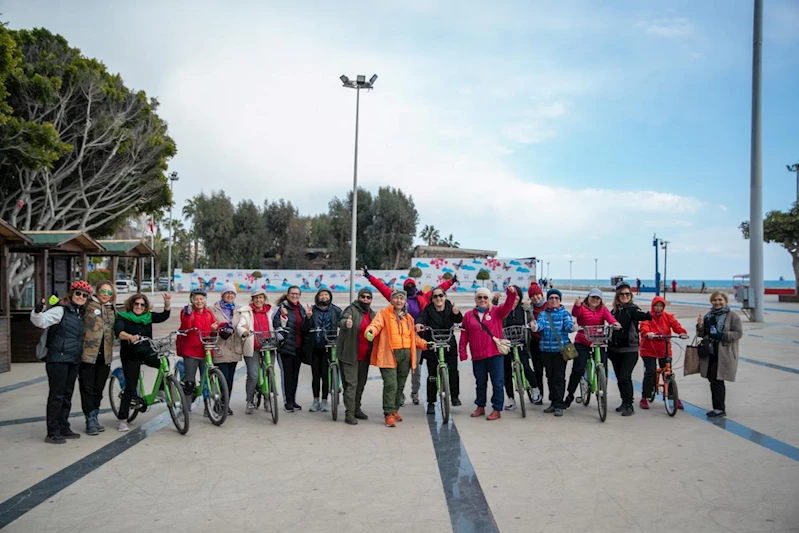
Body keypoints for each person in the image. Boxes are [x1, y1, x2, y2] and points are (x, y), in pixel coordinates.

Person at [362, 265, 456, 406]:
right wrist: (369, 277)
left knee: (416, 368)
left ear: (415, 286)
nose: (410, 287)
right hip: (400, 339)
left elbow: (440, 290)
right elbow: (381, 287)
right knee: (402, 370)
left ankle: (415, 392)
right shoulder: (397, 298)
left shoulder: (423, 296)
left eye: (412, 285)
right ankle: (399, 395)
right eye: (408, 286)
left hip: (419, 337)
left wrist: (451, 281)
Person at [31, 280, 93, 444]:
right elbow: (40, 321)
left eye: (84, 295)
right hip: (58, 359)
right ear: (72, 294)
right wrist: (37, 311)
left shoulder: (82, 314)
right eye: (78, 293)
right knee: (56, 396)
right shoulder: (61, 311)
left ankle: (64, 426)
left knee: (67, 395)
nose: (81, 296)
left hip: (73, 359)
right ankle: (52, 431)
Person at [365, 290, 428, 427]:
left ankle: (394, 410)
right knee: (391, 384)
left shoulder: (409, 318)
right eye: (396, 298)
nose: (399, 300)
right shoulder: (384, 314)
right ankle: (388, 414)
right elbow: (376, 325)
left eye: (401, 298)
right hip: (389, 354)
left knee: (400, 385)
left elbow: (413, 337)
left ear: (405, 301)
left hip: (405, 355)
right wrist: (370, 331)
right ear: (391, 300)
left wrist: (425, 344)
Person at [459, 286, 518, 420]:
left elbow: (509, 305)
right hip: (477, 356)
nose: (482, 300)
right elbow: (464, 335)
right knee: (480, 383)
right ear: (476, 299)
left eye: (485, 297)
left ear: (489, 299)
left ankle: (497, 408)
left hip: (494, 354)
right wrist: (462, 352)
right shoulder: (468, 316)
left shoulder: (497, 312)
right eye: (479, 297)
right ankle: (480, 406)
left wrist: (511, 293)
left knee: (497, 382)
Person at [115, 292, 172, 431]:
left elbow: (164, 316)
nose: (139, 307)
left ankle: (160, 390)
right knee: (131, 386)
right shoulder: (124, 317)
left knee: (164, 363)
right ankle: (122, 419)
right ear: (131, 304)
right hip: (130, 354)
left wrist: (167, 303)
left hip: (147, 351)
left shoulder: (148, 317)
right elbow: (118, 332)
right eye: (136, 304)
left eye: (142, 304)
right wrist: (130, 336)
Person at [566, 288, 618, 408]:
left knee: (603, 366)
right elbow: (575, 314)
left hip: (598, 342)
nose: (595, 300)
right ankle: (570, 395)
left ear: (600, 300)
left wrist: (615, 324)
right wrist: (577, 305)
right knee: (578, 369)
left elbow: (611, 319)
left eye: (597, 298)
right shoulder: (582, 308)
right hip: (582, 342)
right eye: (593, 297)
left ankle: (602, 389)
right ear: (588, 298)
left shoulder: (603, 310)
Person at [416, 286, 463, 414]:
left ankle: (454, 396)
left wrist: (456, 313)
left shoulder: (450, 307)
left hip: (449, 343)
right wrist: (419, 324)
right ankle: (431, 402)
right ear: (432, 299)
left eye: (441, 296)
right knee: (432, 375)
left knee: (453, 371)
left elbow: (459, 320)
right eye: (435, 296)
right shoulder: (428, 309)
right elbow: (422, 318)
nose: (438, 298)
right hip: (433, 345)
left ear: (445, 296)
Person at [608, 282, 652, 416]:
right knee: (619, 378)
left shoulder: (633, 309)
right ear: (617, 296)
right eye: (622, 294)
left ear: (630, 295)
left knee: (625, 376)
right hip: (614, 350)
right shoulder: (614, 311)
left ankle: (629, 404)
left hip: (629, 349)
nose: (624, 296)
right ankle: (624, 402)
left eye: (627, 294)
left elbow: (642, 316)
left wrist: (650, 314)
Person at [696, 291, 742, 417]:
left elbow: (738, 333)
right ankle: (717, 406)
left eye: (720, 300)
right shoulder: (709, 316)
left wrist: (722, 335)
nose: (717, 302)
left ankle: (719, 408)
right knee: (712, 379)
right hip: (710, 352)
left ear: (725, 301)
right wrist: (700, 326)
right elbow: (701, 334)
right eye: (715, 300)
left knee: (718, 380)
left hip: (724, 353)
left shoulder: (732, 316)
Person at [79, 279, 116, 435]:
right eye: (103, 291)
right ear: (97, 291)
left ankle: (94, 415)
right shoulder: (87, 306)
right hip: (88, 355)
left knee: (98, 389)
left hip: (105, 356)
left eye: (109, 292)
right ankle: (90, 419)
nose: (106, 295)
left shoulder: (112, 309)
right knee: (87, 388)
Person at [493, 286, 538, 410]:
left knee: (526, 366)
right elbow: (493, 312)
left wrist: (533, 324)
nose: (515, 299)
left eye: (517, 296)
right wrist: (495, 301)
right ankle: (511, 398)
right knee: (506, 371)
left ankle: (534, 388)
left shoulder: (524, 309)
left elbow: (531, 320)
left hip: (521, 342)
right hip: (506, 344)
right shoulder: (504, 309)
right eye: (513, 296)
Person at [530, 288, 574, 417]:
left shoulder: (565, 313)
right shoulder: (543, 314)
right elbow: (540, 325)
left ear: (560, 300)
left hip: (560, 351)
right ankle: (553, 403)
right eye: (551, 298)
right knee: (550, 377)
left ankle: (559, 404)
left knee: (559, 378)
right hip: (546, 350)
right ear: (547, 300)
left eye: (556, 298)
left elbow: (568, 325)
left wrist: (572, 327)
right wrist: (535, 327)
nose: (554, 300)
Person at [639, 296, 688, 410]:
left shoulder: (667, 317)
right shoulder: (648, 316)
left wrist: (681, 332)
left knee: (668, 372)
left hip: (664, 348)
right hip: (649, 348)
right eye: (656, 305)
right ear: (653, 306)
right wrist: (647, 333)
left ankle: (673, 396)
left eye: (661, 306)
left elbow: (676, 325)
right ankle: (645, 397)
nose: (658, 308)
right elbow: (643, 327)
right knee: (650, 372)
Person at [337, 287, 376, 425]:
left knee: (361, 384)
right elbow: (341, 320)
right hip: (349, 354)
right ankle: (350, 413)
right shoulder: (351, 310)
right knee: (351, 385)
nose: (365, 299)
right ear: (359, 297)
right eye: (363, 297)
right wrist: (346, 324)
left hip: (364, 356)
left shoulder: (372, 314)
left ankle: (357, 408)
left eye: (368, 297)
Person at [176, 289, 218, 411]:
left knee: (207, 381)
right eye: (196, 299)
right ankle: (186, 409)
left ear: (205, 300)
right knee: (190, 381)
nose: (199, 301)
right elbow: (185, 327)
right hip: (191, 351)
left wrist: (217, 328)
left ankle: (207, 408)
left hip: (206, 350)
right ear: (191, 300)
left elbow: (213, 327)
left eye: (201, 299)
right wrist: (188, 315)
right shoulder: (186, 311)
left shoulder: (209, 313)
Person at [273, 286, 312, 412]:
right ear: (288, 294)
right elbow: (276, 326)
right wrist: (283, 318)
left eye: (297, 294)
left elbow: (304, 328)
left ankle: (293, 400)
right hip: (285, 348)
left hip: (298, 348)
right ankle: (287, 401)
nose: (294, 296)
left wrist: (308, 318)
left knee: (295, 376)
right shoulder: (281, 308)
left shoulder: (301, 308)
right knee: (287, 376)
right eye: (292, 294)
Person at [236, 289, 273, 414]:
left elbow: (279, 323)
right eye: (256, 298)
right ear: (252, 300)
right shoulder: (246, 312)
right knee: (253, 375)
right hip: (253, 347)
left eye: (261, 298)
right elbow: (240, 326)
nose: (258, 300)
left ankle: (267, 399)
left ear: (264, 299)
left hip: (268, 347)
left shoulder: (270, 311)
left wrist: (283, 318)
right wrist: (244, 332)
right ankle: (250, 401)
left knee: (269, 373)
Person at [304, 289, 342, 413]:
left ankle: (325, 400)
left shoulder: (336, 310)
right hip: (315, 346)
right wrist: (308, 317)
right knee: (315, 375)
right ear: (317, 297)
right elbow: (305, 328)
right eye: (322, 295)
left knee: (326, 375)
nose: (324, 297)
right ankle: (316, 400)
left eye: (326, 295)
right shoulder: (312, 310)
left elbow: (343, 324)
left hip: (329, 346)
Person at [209, 283, 241, 416]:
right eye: (227, 293)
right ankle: (219, 404)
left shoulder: (239, 310)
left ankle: (225, 404)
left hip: (234, 349)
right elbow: (208, 327)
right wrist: (214, 330)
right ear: (222, 295)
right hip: (220, 348)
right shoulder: (212, 309)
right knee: (221, 379)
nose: (230, 296)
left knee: (229, 380)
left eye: (232, 293)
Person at [526, 282, 547, 404]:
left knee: (550, 372)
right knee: (538, 370)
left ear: (541, 294)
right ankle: (540, 396)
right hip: (535, 342)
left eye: (537, 294)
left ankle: (554, 398)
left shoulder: (548, 305)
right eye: (532, 296)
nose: (535, 297)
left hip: (548, 342)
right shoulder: (529, 309)